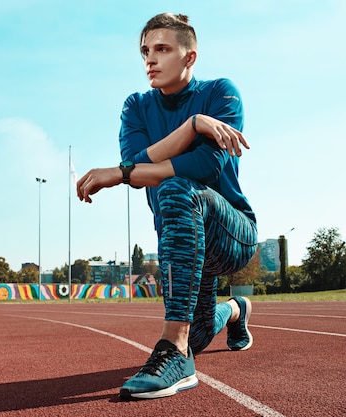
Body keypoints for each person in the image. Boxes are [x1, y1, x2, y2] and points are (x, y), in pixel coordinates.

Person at [76, 12, 258, 400]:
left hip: (231, 232)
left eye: (161, 49)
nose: (150, 61)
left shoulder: (221, 93)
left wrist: (126, 171)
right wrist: (192, 126)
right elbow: (135, 164)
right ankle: (237, 309)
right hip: (184, 244)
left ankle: (174, 349)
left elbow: (206, 165)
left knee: (176, 186)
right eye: (145, 51)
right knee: (204, 334)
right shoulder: (136, 106)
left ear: (189, 56)